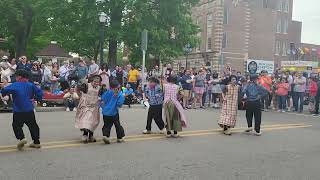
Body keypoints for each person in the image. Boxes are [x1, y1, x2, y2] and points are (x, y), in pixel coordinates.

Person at [0, 69, 43, 150]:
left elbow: (4, 92)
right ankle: (36, 142)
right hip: (29, 109)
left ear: (19, 76)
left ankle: (22, 138)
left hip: (18, 110)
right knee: (33, 126)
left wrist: (3, 87)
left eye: (16, 76)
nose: (15, 77)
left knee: (16, 125)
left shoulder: (15, 85)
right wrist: (35, 98)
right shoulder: (30, 84)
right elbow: (40, 93)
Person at [75, 75, 101, 143]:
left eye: (98, 82)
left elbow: (102, 96)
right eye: (95, 82)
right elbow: (77, 89)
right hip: (86, 106)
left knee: (93, 121)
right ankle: (85, 134)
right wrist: (80, 96)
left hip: (94, 107)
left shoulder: (99, 88)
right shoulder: (86, 86)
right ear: (91, 81)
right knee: (86, 120)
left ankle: (91, 136)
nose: (96, 83)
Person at [101, 80, 125, 144]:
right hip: (114, 113)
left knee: (106, 125)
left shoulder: (107, 92)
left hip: (105, 112)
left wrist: (104, 108)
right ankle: (120, 137)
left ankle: (106, 135)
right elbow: (119, 104)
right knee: (117, 125)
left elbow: (102, 101)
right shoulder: (120, 94)